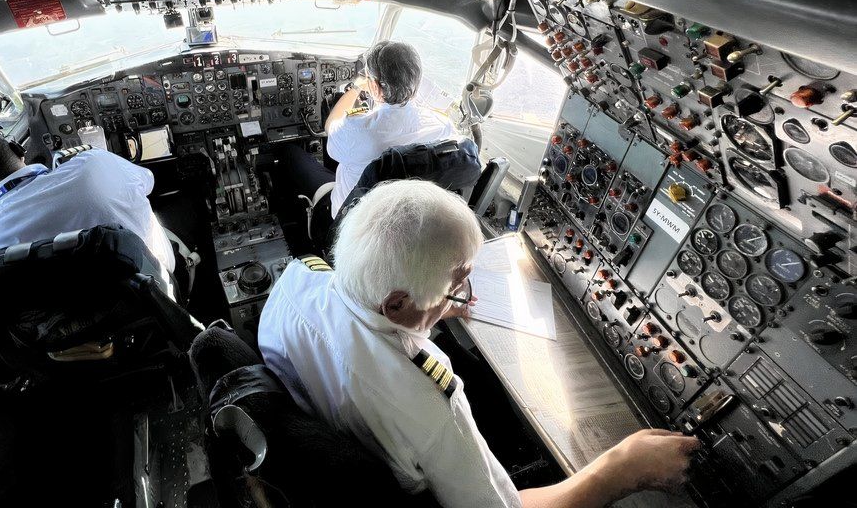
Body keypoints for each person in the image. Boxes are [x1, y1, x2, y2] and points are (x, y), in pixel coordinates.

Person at [257, 180, 699, 508]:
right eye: (455, 288)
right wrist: (622, 467)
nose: (463, 298)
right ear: (396, 303)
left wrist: (432, 308)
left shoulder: (296, 282)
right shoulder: (429, 403)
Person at [0, 126, 176, 316]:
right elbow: (148, 181)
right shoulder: (95, 164)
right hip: (158, 306)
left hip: (63, 360)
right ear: (17, 148)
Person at [275, 40, 457, 218]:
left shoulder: (356, 130)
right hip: (407, 214)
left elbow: (330, 127)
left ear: (375, 87)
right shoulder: (442, 127)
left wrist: (355, 88)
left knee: (290, 153)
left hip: (350, 222)